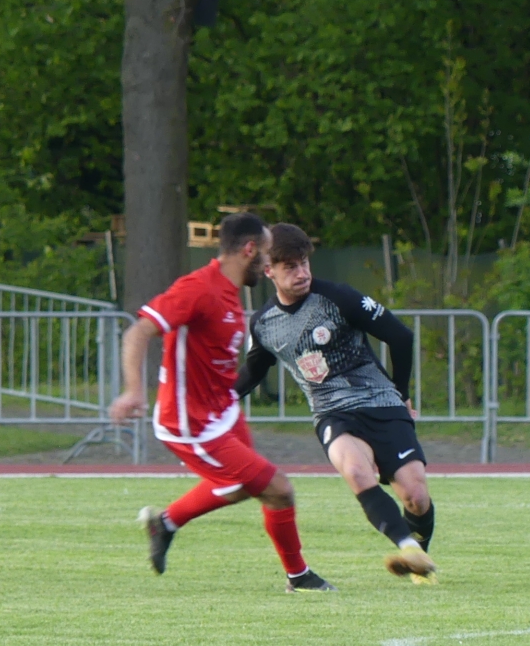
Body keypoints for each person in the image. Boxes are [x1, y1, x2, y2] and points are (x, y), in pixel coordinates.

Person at [108, 214, 334, 591]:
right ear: (248, 250)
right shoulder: (198, 289)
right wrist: (133, 390)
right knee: (278, 489)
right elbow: (137, 333)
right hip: (190, 423)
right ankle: (300, 578)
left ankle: (165, 524)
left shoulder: (229, 291)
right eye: (265, 255)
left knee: (247, 485)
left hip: (223, 411)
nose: (267, 265)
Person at [237, 223, 437, 582]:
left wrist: (401, 393)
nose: (302, 274)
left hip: (381, 401)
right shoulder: (264, 325)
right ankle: (407, 546)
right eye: (290, 267)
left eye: (305, 263)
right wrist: (213, 401)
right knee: (357, 471)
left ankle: (419, 553)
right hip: (332, 412)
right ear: (269, 271)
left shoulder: (339, 298)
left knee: (416, 497)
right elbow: (251, 374)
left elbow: (401, 337)